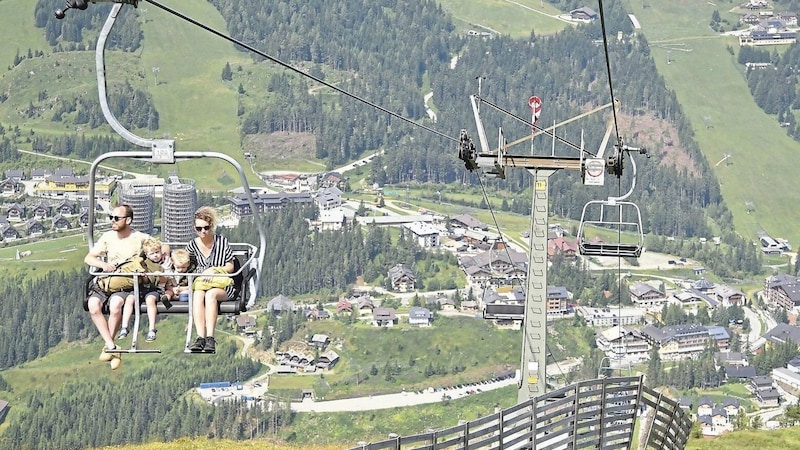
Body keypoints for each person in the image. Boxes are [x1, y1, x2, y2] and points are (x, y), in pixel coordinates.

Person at [84, 204, 149, 370]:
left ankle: (110, 347)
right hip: (107, 280)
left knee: (115, 306)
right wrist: (103, 265)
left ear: (128, 220)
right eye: (111, 217)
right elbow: (89, 258)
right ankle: (111, 347)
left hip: (125, 283)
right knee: (93, 305)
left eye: (116, 218)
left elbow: (160, 247)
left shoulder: (139, 238)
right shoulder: (108, 237)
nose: (112, 221)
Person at [185, 206, 235, 353]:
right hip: (202, 283)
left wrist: (215, 270)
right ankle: (200, 336)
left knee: (211, 294)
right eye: (199, 229)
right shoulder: (192, 246)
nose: (203, 232)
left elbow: (230, 266)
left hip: (221, 285)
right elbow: (187, 266)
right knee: (199, 294)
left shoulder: (221, 242)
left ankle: (210, 337)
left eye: (205, 228)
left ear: (211, 226)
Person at [119, 238, 171, 342]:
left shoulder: (164, 264)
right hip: (143, 288)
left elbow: (164, 282)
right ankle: (124, 327)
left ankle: (152, 328)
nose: (155, 255)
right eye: (152, 254)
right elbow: (146, 282)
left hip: (155, 289)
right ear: (147, 255)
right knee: (130, 299)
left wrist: (161, 276)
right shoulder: (144, 264)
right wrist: (144, 277)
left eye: (157, 252)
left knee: (150, 300)